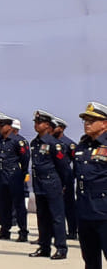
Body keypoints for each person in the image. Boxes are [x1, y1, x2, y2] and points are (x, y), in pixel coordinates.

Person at [28, 110, 69, 260]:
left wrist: (63, 184)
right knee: (42, 217)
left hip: (52, 184)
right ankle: (44, 247)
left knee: (57, 217)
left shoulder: (54, 144)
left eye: (39, 123)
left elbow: (63, 167)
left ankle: (61, 248)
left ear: (47, 125)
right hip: (39, 185)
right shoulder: (34, 143)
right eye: (35, 122)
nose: (36, 125)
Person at [74, 102, 107, 268]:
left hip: (104, 212)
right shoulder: (82, 144)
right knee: (90, 260)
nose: (87, 123)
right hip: (85, 211)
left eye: (92, 120)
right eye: (85, 120)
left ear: (104, 123)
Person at [0, 113, 30, 242]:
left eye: (3, 125)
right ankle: (4, 230)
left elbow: (25, 159)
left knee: (19, 206)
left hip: (14, 177)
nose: (1, 128)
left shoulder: (18, 141)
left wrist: (22, 174)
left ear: (9, 126)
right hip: (0, 177)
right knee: (3, 206)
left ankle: (23, 232)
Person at [53, 116, 77, 240]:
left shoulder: (69, 144)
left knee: (69, 206)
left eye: (55, 126)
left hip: (66, 179)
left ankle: (72, 231)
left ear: (61, 128)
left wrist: (70, 178)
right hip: (53, 178)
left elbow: (77, 162)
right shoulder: (50, 142)